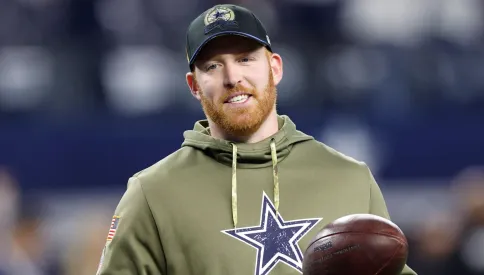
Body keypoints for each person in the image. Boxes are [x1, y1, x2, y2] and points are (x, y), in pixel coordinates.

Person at [96, 4, 417, 275]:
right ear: (194, 85)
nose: (232, 77)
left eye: (246, 59)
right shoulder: (151, 194)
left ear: (274, 68)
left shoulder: (351, 178)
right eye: (212, 66)